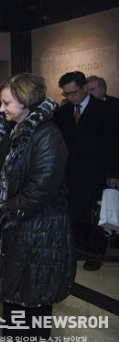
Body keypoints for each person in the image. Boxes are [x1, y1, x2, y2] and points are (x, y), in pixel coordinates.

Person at [0, 73, 76, 342]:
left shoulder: (47, 135)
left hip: (40, 233)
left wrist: (3, 210)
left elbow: (40, 190)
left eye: (7, 103)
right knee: (13, 298)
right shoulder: (8, 131)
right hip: (13, 228)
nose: (1, 109)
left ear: (25, 102)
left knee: (33, 300)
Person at [54, 71, 119, 271]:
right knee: (76, 212)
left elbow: (113, 143)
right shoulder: (64, 113)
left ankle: (96, 254)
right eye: (66, 94)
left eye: (73, 92)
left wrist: (113, 173)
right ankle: (79, 249)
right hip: (71, 173)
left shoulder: (106, 109)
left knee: (96, 215)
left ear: (83, 88)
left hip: (97, 172)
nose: (70, 97)